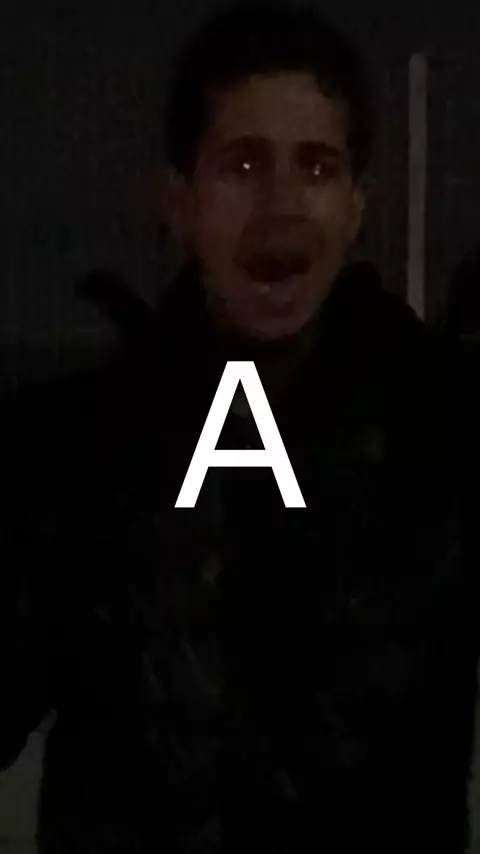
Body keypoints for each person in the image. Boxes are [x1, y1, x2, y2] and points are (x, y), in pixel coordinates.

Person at [0, 3, 477, 852]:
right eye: (244, 163)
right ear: (178, 201)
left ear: (357, 208)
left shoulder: (449, 439)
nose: (282, 205)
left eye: (317, 167)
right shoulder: (66, 456)